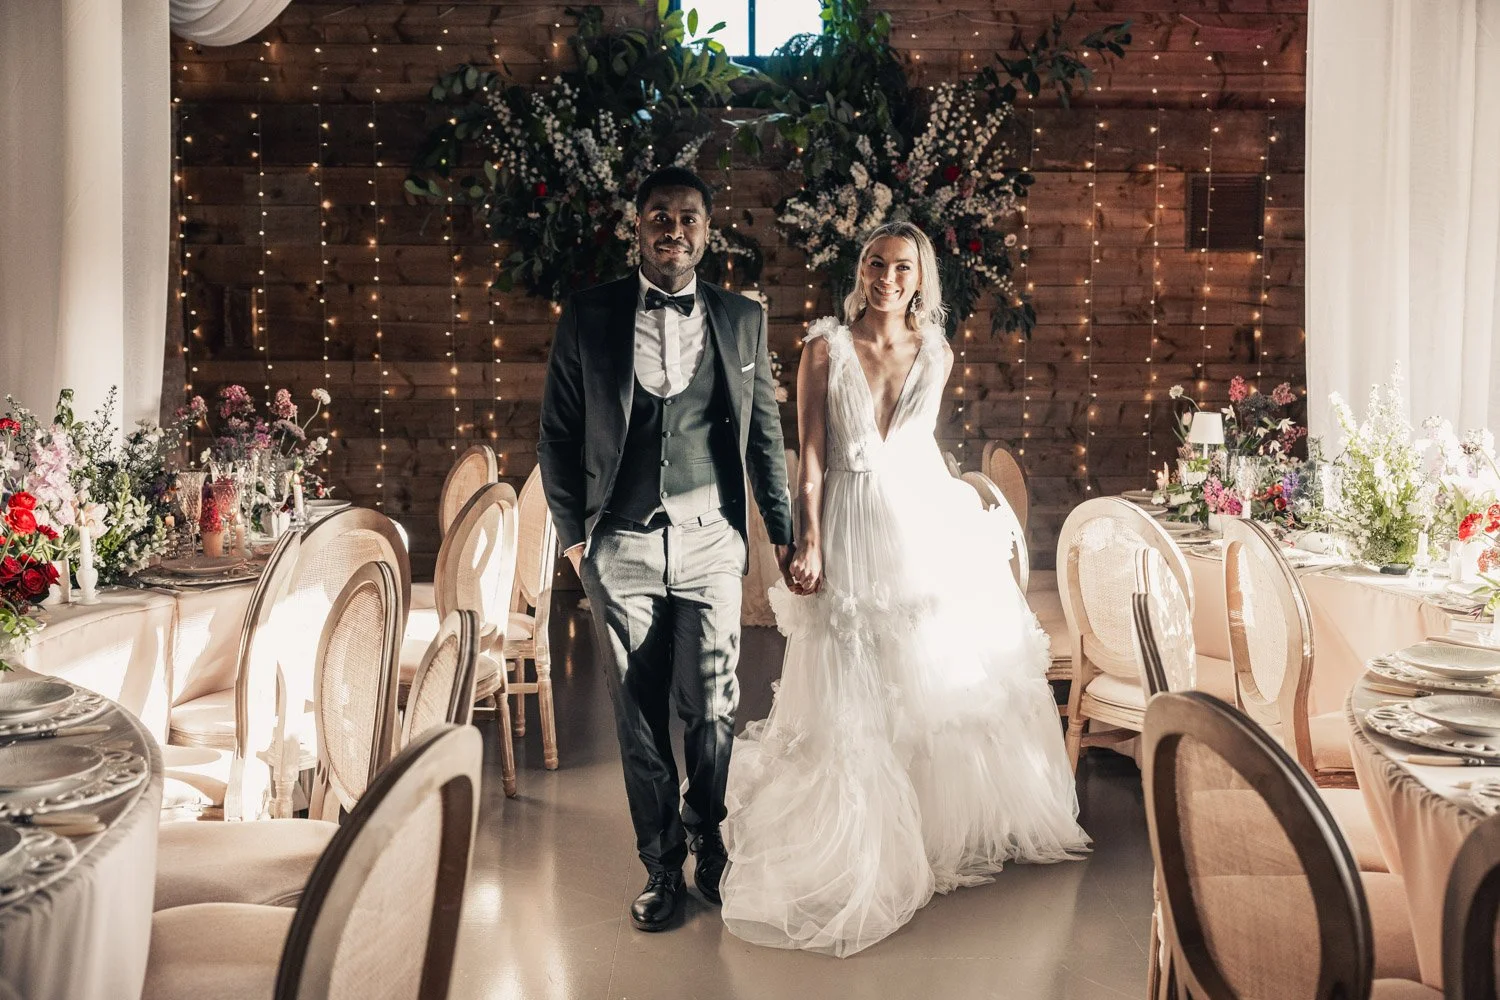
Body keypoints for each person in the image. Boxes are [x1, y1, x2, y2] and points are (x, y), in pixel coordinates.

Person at [720, 222, 1089, 958]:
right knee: (853, 671)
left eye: (900, 266)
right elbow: (813, 460)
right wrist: (810, 540)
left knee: (927, 676)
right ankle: (857, 828)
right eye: (874, 263)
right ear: (859, 270)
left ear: (921, 279)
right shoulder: (824, 349)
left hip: (921, 520)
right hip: (851, 524)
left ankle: (924, 826)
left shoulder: (938, 351)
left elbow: (917, 449)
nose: (886, 277)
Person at [537, 166, 796, 932]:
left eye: (688, 218)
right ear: (637, 225)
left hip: (714, 540)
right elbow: (555, 433)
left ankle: (708, 839)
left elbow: (766, 437)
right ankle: (660, 866)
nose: (673, 230)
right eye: (660, 216)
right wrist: (576, 539)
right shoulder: (588, 315)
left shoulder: (742, 320)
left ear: (707, 233)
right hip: (620, 545)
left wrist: (781, 535)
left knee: (712, 707)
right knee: (639, 715)